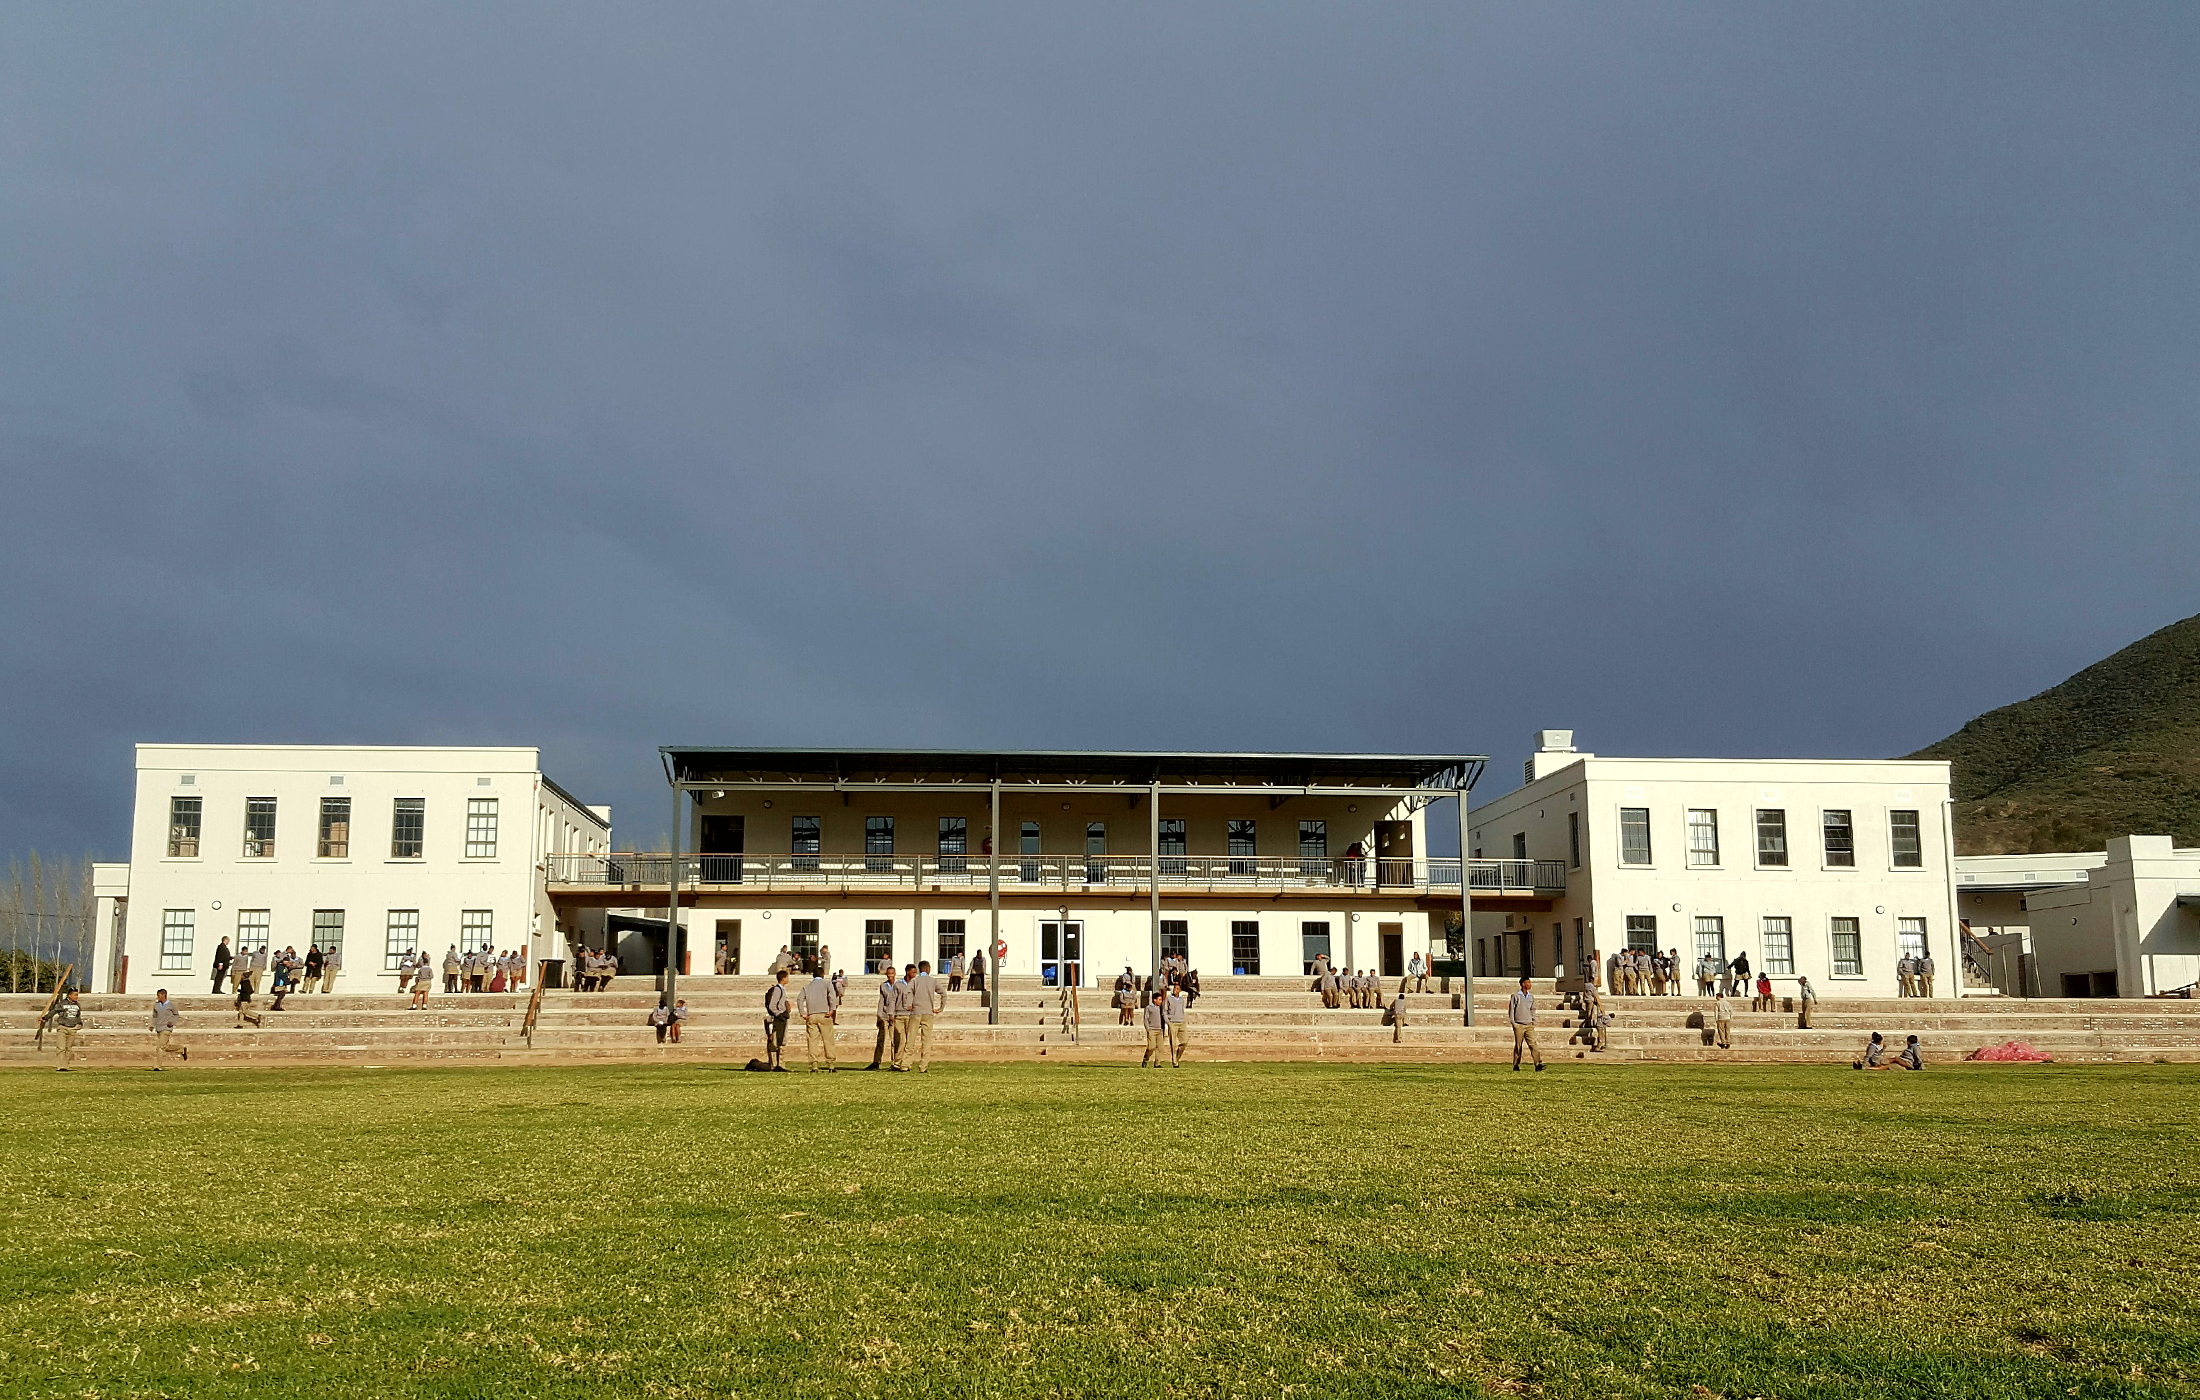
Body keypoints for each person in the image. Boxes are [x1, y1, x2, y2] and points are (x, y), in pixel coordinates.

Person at [798, 970, 838, 1071]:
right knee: (828, 1040)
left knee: (812, 1041)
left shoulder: (807, 987)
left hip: (811, 1015)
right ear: (823, 974)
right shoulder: (827, 984)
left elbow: (799, 999)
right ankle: (831, 1064)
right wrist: (832, 1009)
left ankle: (814, 1064)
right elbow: (832, 997)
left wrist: (803, 1012)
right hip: (825, 1014)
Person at [909, 960, 942, 1073]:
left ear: (919, 969)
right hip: (928, 1012)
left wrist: (908, 1005)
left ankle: (905, 1064)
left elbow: (907, 992)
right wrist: (940, 1008)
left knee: (911, 1038)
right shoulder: (932, 981)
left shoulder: (915, 980)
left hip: (916, 1011)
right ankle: (923, 1066)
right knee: (926, 1040)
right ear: (928, 969)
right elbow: (944, 993)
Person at [1508, 976, 1544, 1071]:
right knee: (1518, 1045)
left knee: (1533, 1044)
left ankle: (1538, 1063)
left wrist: (1533, 1021)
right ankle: (1516, 1064)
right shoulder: (1515, 996)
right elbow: (1511, 1010)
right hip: (1519, 1025)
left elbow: (1533, 1009)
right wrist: (1513, 1023)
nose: (1530, 984)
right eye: (1528, 982)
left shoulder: (1531, 997)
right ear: (1523, 984)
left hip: (1529, 1025)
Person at [868, 965, 900, 1070]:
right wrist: (879, 1015)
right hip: (885, 1015)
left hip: (896, 1015)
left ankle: (895, 1062)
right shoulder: (883, 986)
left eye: (892, 974)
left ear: (895, 974)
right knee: (881, 1038)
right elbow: (881, 1001)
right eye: (888, 974)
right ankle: (876, 1062)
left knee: (895, 1040)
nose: (890, 976)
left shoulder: (899, 985)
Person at [889, 963, 919, 1071]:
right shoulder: (898, 984)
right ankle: (897, 1063)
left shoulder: (916, 984)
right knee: (900, 1040)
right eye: (913, 972)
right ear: (907, 972)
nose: (915, 974)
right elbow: (893, 1000)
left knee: (909, 1041)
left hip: (911, 1016)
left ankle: (906, 1063)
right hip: (899, 1015)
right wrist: (891, 1014)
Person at [149, 988, 188, 1068]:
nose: (158, 997)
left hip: (166, 1028)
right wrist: (152, 1025)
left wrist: (172, 1022)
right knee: (164, 1047)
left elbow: (176, 1014)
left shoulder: (171, 1005)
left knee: (159, 1047)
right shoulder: (156, 1005)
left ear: (164, 995)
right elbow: (154, 1016)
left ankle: (158, 1065)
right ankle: (181, 1049)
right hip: (159, 1028)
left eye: (159, 995)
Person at [49, 989, 85, 1070]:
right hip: (63, 1027)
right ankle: (61, 1066)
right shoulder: (62, 1004)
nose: (76, 997)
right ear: (70, 995)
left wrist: (79, 1023)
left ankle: (66, 1065)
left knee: (68, 1048)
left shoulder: (77, 1005)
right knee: (61, 1048)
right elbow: (53, 1011)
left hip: (73, 1028)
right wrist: (45, 1018)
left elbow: (78, 1015)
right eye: (75, 995)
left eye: (77, 995)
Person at [763, 970, 791, 1071]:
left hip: (781, 1017)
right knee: (775, 1041)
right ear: (783, 978)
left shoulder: (781, 989)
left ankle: (780, 1064)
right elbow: (772, 1005)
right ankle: (774, 1064)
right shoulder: (778, 990)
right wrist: (779, 1014)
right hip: (778, 1018)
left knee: (781, 1040)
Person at [1140, 990, 1168, 1068]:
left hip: (1160, 1030)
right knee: (1151, 1047)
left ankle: (1157, 1063)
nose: (1160, 1001)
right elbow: (1146, 1019)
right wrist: (1148, 1029)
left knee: (1160, 1048)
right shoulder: (1149, 1008)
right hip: (1152, 1030)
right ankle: (1146, 1059)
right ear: (1154, 1000)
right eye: (1159, 999)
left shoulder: (1162, 1008)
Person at [1164, 983, 1189, 1066]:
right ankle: (1174, 1060)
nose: (1175, 990)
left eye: (1177, 989)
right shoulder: (1168, 999)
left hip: (1181, 1022)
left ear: (1180, 990)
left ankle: (1177, 1058)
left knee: (1184, 1041)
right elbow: (1164, 1011)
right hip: (1172, 1023)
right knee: (1173, 1043)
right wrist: (1168, 1021)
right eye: (1174, 988)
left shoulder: (1182, 1000)